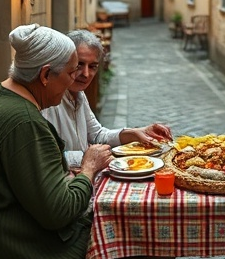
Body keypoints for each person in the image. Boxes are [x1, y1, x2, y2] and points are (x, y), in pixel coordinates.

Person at [0, 24, 173, 259]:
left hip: (12, 229)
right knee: (159, 236)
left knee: (131, 226)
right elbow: (59, 213)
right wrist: (86, 170)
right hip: (25, 243)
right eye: (70, 72)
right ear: (44, 75)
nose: (77, 78)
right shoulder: (24, 122)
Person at [42, 29, 172, 169]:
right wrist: (88, 156)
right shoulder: (50, 101)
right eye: (79, 64)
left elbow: (97, 135)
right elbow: (46, 158)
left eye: (92, 67)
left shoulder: (79, 94)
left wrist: (136, 132)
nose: (86, 74)